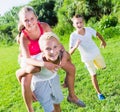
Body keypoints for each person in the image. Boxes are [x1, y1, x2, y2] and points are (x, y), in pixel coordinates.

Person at [16, 6, 85, 112]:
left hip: (47, 51)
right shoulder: (24, 37)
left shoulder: (44, 26)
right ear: (22, 22)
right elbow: (27, 59)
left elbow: (56, 42)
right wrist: (44, 64)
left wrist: (64, 54)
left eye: (32, 19)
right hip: (31, 57)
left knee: (71, 67)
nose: (30, 22)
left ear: (36, 17)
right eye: (26, 20)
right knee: (26, 79)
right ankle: (30, 109)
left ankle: (72, 95)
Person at [69, 14, 106, 100]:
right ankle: (99, 93)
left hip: (96, 53)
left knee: (103, 67)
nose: (79, 24)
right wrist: (75, 46)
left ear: (83, 23)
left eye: (81, 22)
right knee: (93, 75)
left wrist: (103, 42)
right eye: (77, 23)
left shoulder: (89, 30)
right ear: (74, 25)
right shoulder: (73, 36)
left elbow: (98, 34)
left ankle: (96, 64)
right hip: (87, 58)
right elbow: (70, 52)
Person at [26, 32, 65, 112]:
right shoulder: (36, 65)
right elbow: (19, 74)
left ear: (59, 46)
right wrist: (28, 90)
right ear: (42, 50)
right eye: (48, 48)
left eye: (55, 47)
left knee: (57, 103)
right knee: (50, 109)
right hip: (40, 84)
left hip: (54, 79)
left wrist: (68, 77)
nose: (52, 51)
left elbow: (69, 61)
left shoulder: (61, 55)